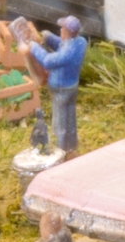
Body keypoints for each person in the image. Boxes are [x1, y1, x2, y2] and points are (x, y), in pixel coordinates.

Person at [14, 13, 88, 158]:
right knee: (70, 119)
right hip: (72, 86)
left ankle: (60, 151)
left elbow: (47, 61)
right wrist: (47, 37)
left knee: (59, 123)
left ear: (67, 31)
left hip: (61, 88)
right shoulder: (80, 42)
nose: (60, 30)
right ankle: (71, 147)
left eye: (62, 29)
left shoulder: (67, 52)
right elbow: (62, 44)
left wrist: (34, 46)